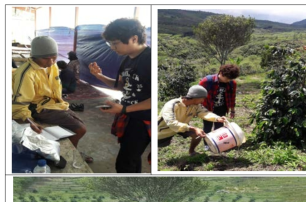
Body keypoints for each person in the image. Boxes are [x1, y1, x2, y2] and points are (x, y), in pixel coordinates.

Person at [12, 36, 92, 162]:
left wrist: (61, 102)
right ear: (34, 56)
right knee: (80, 129)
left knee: (75, 126)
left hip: (55, 104)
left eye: (53, 57)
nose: (50, 62)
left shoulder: (53, 66)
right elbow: (19, 103)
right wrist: (29, 120)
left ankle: (70, 151)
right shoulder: (26, 73)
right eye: (45, 58)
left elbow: (55, 88)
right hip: (39, 108)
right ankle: (66, 156)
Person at [89, 18, 151, 173]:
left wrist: (123, 109)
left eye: (115, 43)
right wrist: (100, 76)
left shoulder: (149, 59)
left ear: (134, 39)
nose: (112, 48)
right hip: (129, 115)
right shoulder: (127, 60)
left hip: (143, 119)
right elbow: (122, 85)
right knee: (131, 158)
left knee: (125, 164)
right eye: (110, 43)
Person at [158, 85, 226, 155]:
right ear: (196, 97)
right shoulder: (172, 105)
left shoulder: (195, 106)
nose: (202, 101)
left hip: (182, 126)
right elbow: (171, 123)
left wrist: (217, 118)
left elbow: (204, 113)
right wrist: (194, 128)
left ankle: (192, 152)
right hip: (163, 131)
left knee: (197, 134)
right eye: (202, 99)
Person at [197, 64, 239, 149]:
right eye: (226, 78)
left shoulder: (232, 83)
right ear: (221, 73)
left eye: (230, 79)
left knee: (219, 127)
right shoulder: (207, 81)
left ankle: (217, 144)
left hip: (222, 108)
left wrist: (232, 110)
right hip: (207, 109)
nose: (228, 81)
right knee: (207, 127)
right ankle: (207, 144)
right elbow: (197, 95)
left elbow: (232, 97)